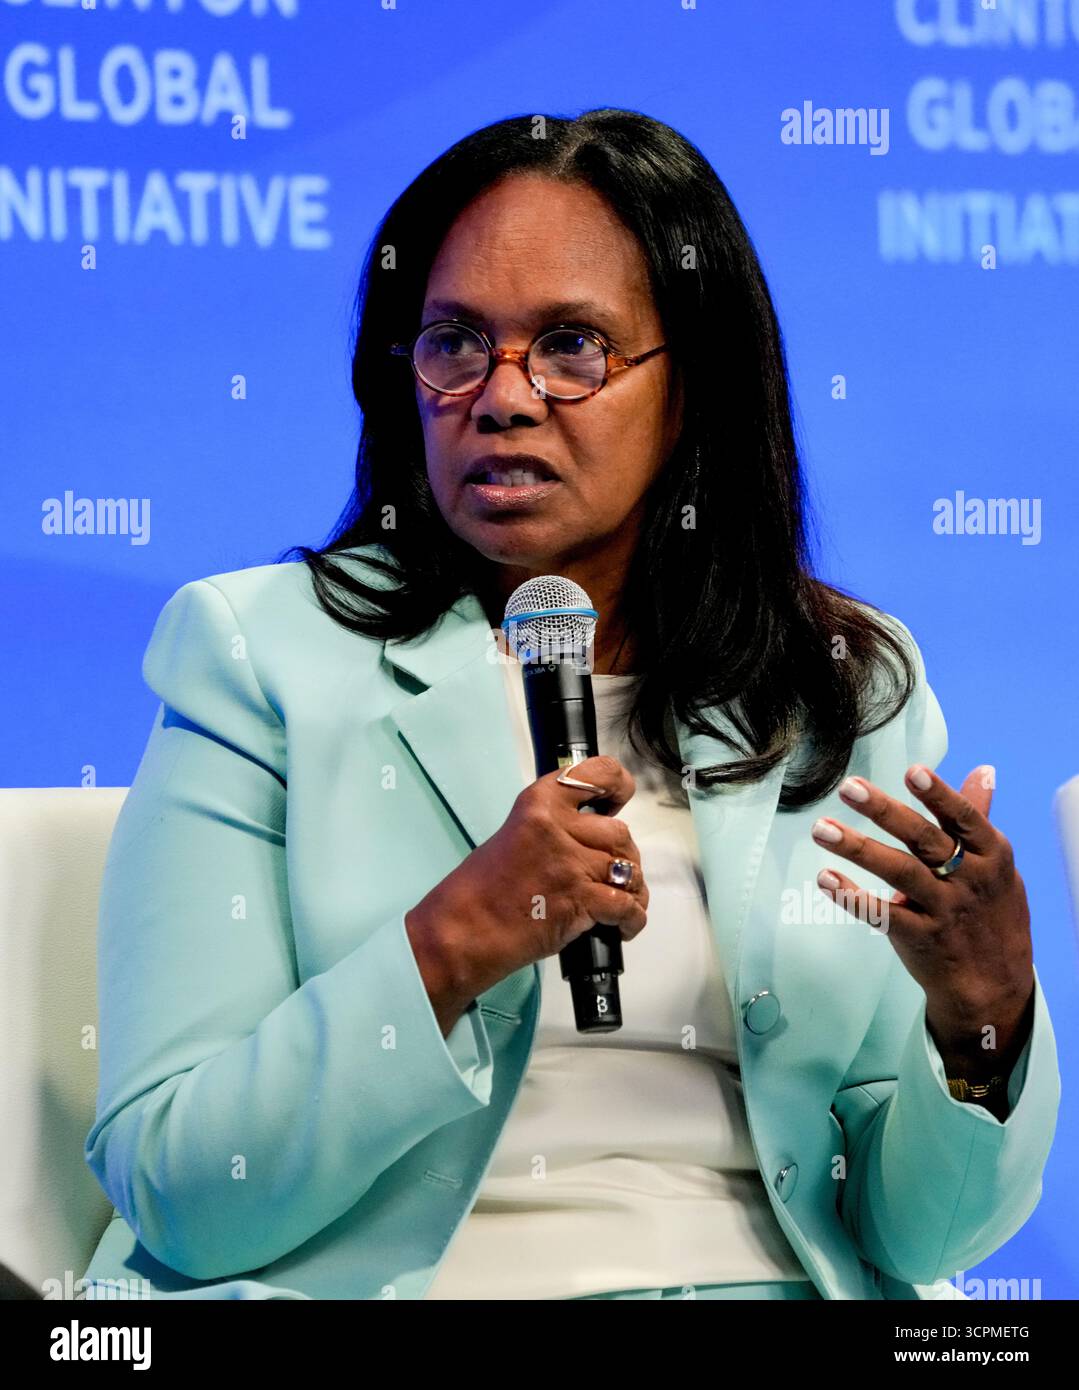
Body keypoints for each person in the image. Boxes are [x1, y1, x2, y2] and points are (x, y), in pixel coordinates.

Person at [81, 109, 1059, 1302]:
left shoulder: (838, 684)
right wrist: (451, 943)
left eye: (570, 347)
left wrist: (982, 1014)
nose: (501, 398)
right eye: (453, 343)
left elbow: (916, 1241)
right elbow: (183, 1188)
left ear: (688, 388)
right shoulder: (261, 657)